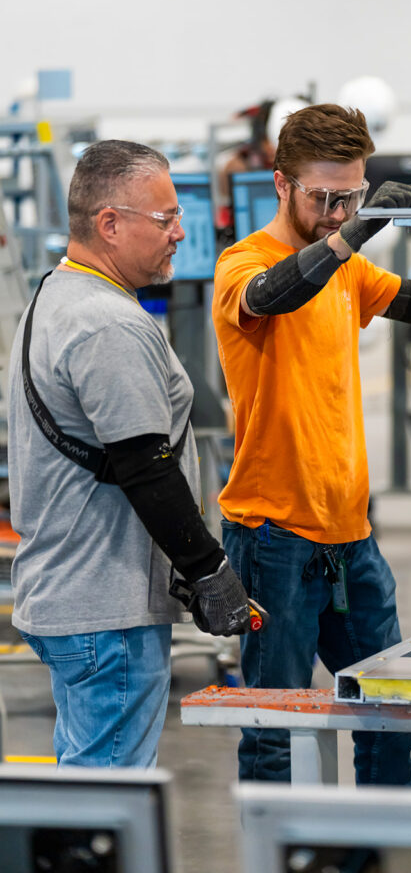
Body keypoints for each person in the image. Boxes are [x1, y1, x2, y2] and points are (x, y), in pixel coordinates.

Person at [212, 103, 411, 785]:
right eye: (325, 197)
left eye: (352, 197)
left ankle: (371, 851)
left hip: (349, 535)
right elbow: (270, 296)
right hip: (274, 536)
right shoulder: (243, 262)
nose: (339, 212)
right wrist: (355, 234)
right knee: (274, 726)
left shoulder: (343, 267)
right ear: (281, 184)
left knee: (386, 712)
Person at [8, 139, 253, 768]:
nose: (180, 233)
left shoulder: (59, 295)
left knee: (85, 788)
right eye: (165, 218)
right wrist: (207, 569)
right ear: (109, 224)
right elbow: (146, 466)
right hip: (104, 608)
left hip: (75, 594)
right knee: (106, 801)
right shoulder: (107, 325)